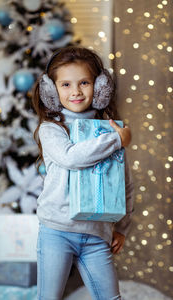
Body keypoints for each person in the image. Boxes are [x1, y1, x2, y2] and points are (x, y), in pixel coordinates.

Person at [32, 46, 134, 300]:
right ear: (51, 91)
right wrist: (116, 141)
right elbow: (71, 157)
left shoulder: (111, 130)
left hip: (97, 234)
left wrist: (121, 228)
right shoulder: (52, 129)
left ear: (100, 88)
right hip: (57, 232)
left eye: (84, 82)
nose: (75, 91)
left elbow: (125, 184)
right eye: (65, 84)